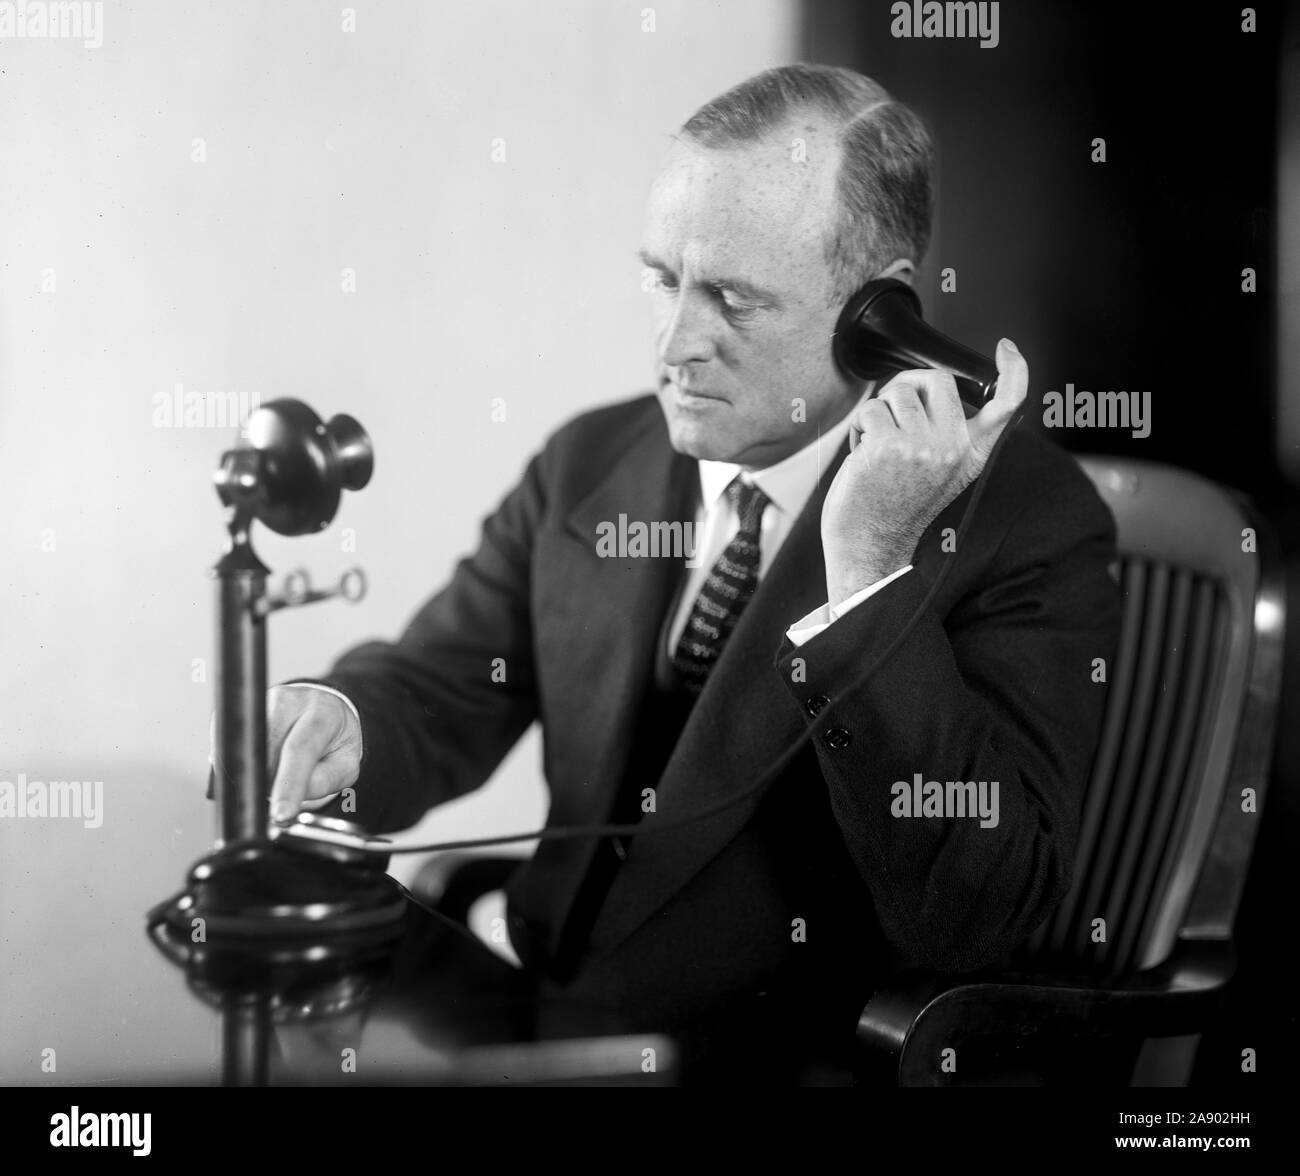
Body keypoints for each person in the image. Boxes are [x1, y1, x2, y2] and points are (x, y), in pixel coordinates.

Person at [254, 64, 1121, 1078]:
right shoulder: (590, 462)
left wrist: (871, 573)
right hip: (536, 1016)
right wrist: (343, 720)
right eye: (664, 280)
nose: (673, 346)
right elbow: (445, 685)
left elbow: (985, 916)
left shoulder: (1029, 523)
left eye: (734, 301)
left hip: (766, 1064)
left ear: (878, 315)